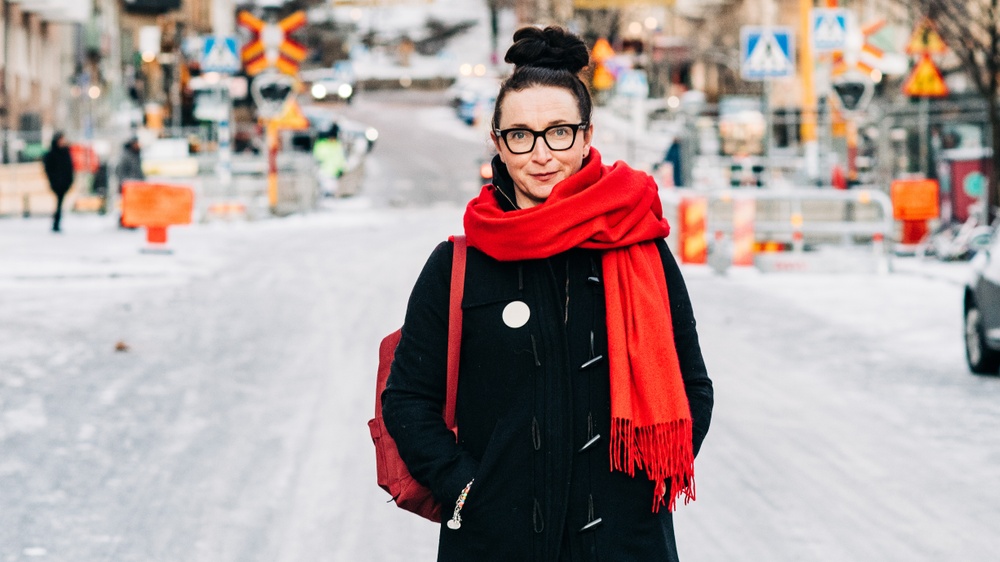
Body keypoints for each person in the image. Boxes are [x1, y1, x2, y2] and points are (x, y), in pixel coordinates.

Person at [382, 26, 713, 561]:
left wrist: (634, 494)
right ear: (498, 143)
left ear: (586, 137)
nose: (541, 154)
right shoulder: (458, 264)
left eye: (559, 131)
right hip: (496, 543)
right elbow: (407, 399)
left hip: (624, 543)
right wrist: (468, 489)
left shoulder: (639, 248)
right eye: (521, 135)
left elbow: (691, 384)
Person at [42, 132, 74, 232]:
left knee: (60, 203)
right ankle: (56, 222)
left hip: (64, 182)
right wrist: (54, 179)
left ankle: (56, 222)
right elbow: (48, 168)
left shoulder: (65, 152)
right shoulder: (53, 153)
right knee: (59, 202)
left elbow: (70, 167)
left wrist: (69, 180)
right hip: (57, 182)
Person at [115, 137, 145, 228]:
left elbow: (139, 171)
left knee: (133, 205)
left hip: (136, 186)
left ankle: (132, 221)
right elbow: (120, 171)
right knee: (128, 205)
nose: (138, 145)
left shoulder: (136, 155)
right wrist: (125, 183)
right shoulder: (126, 155)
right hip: (128, 186)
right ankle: (125, 222)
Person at [313, 123, 346, 197]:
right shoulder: (322, 144)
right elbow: (318, 156)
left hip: (333, 174)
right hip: (323, 173)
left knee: (331, 190)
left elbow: (340, 158)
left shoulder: (337, 145)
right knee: (325, 190)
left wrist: (342, 169)